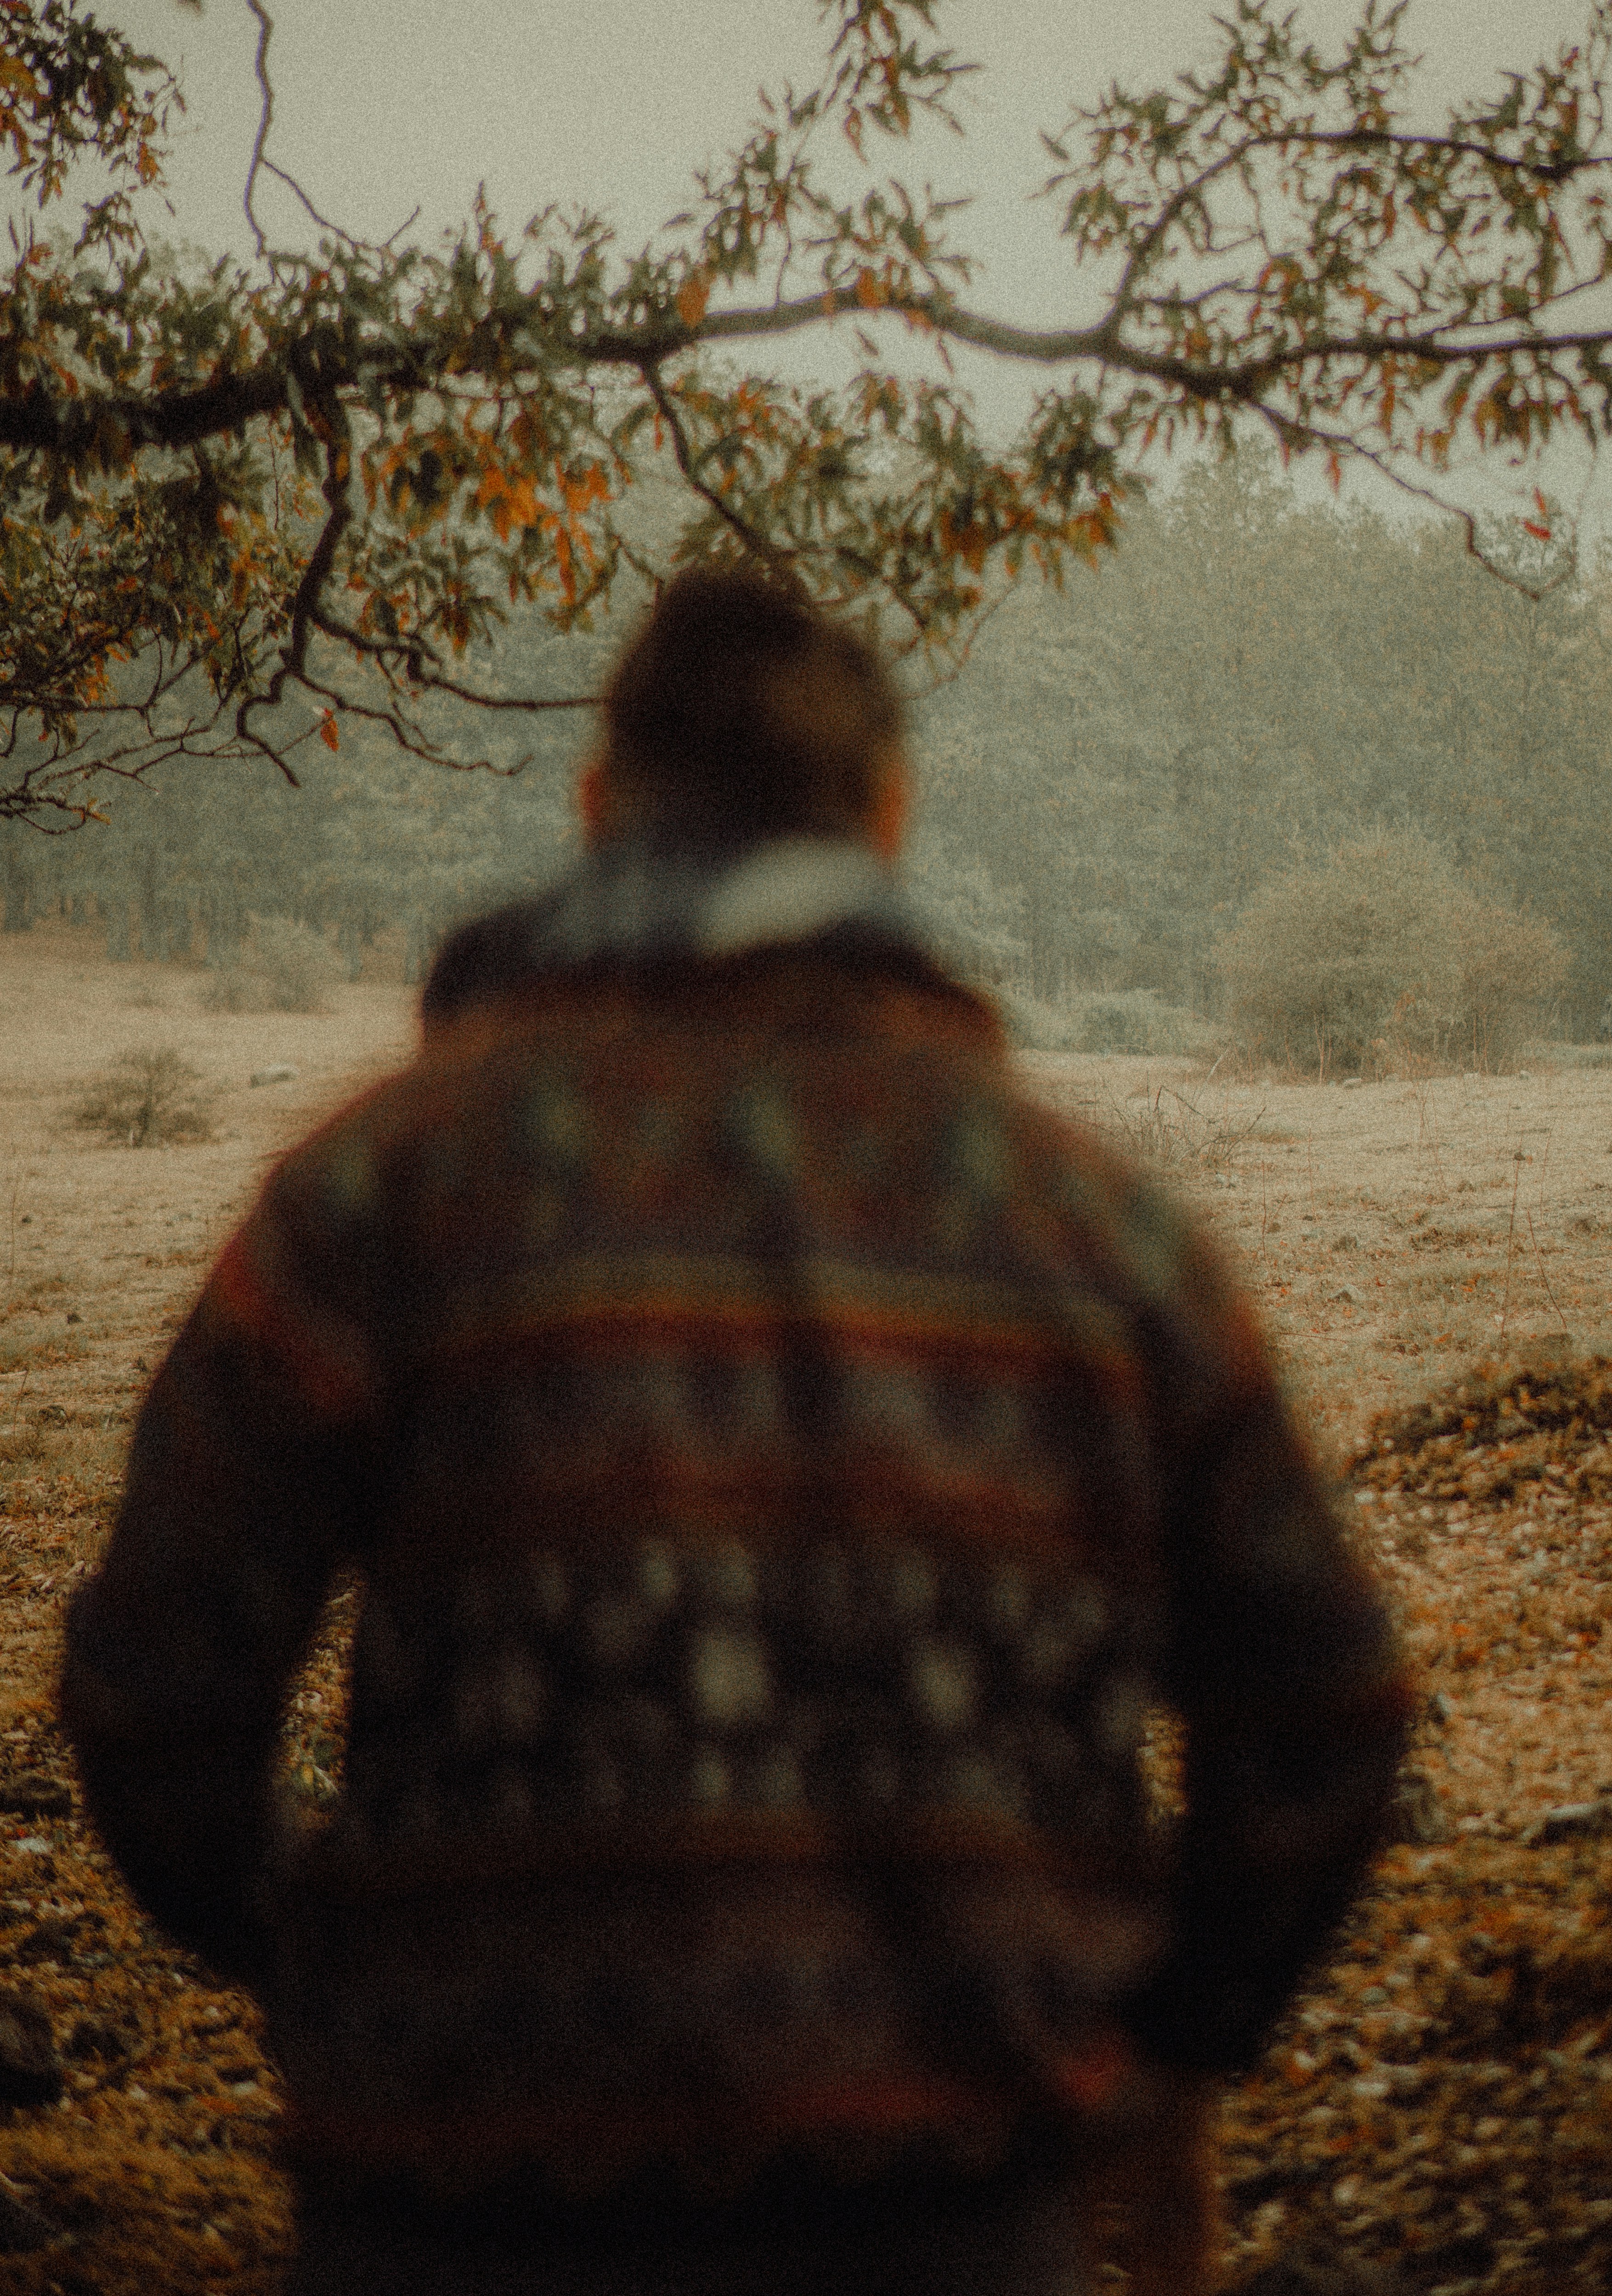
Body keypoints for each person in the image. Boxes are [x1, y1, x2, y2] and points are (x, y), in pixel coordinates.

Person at [61, 567, 1410, 2296]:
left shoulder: (378, 1188)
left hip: (456, 2217)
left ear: (601, 805)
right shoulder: (1095, 1224)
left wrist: (331, 1964)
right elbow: (1328, 1701)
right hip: (955, 2213)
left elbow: (153, 1679)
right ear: (891, 820)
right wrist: (1171, 2040)